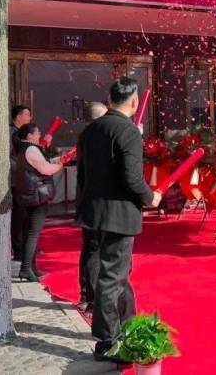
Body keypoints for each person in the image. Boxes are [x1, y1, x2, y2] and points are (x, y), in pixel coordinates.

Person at [76, 78, 163, 364]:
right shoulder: (127, 131)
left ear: (109, 99)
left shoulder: (91, 130)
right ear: (135, 102)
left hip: (94, 211)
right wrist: (151, 197)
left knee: (117, 272)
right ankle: (108, 341)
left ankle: (127, 325)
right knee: (112, 276)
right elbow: (132, 178)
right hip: (118, 213)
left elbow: (83, 174)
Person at [13, 123, 63, 282]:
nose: (39, 134)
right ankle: (26, 268)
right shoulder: (31, 149)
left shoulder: (24, 149)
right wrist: (59, 165)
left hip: (29, 195)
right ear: (29, 135)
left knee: (29, 232)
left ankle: (31, 267)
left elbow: (41, 164)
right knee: (32, 233)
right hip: (36, 196)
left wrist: (54, 162)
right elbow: (45, 169)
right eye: (37, 132)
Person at [76, 101, 109, 312]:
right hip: (96, 201)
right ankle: (92, 299)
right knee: (94, 249)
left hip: (86, 199)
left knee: (89, 248)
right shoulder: (96, 137)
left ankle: (86, 294)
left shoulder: (85, 136)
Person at [10, 105, 40, 261]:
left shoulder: (19, 134)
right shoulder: (11, 133)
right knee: (18, 217)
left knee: (25, 217)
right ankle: (19, 250)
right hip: (16, 180)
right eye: (27, 115)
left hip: (22, 179)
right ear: (18, 117)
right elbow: (12, 158)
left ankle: (25, 249)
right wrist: (23, 168)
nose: (30, 118)